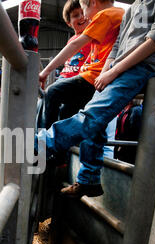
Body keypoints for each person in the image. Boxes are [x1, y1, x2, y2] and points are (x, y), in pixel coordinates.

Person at [36, 0, 155, 198]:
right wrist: (106, 72)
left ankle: (39, 144)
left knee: (91, 116)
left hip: (144, 66)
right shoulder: (135, 6)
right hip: (116, 68)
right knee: (95, 121)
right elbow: (118, 45)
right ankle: (89, 179)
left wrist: (114, 72)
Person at [39, 0, 122, 161]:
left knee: (52, 92)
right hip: (97, 77)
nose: (84, 16)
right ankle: (60, 157)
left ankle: (42, 145)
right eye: (76, 15)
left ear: (93, 3)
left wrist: (46, 71)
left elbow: (77, 44)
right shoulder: (118, 15)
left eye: (83, 10)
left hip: (92, 77)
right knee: (66, 112)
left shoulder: (104, 15)